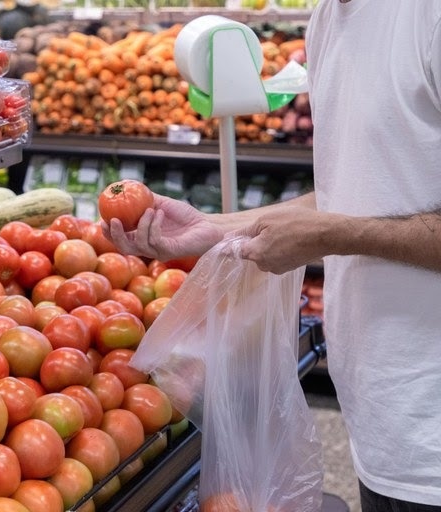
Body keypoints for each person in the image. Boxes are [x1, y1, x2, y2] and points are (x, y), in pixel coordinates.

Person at [102, 1, 441, 511]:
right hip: (384, 426)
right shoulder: (330, 20)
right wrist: (212, 229)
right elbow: (352, 194)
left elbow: (342, 221)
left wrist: (330, 234)